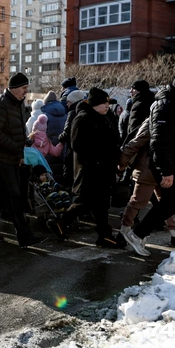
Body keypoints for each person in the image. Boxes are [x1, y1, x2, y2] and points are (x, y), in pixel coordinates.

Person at [123, 71, 175, 260]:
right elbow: (159, 142)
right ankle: (138, 234)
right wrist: (166, 171)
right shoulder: (165, 107)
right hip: (173, 167)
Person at [0, 72, 45, 248]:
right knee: (13, 196)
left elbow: (19, 132)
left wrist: (21, 152)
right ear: (14, 89)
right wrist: (14, 147)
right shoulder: (1, 104)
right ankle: (24, 235)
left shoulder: (18, 105)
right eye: (24, 88)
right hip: (0, 159)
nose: (26, 92)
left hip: (12, 158)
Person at [61, 88, 120, 248]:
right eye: (104, 103)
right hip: (89, 169)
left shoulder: (105, 117)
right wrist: (96, 160)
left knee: (99, 203)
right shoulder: (83, 118)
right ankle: (61, 222)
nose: (107, 106)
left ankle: (104, 235)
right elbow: (77, 145)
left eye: (108, 102)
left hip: (104, 168)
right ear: (94, 104)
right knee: (86, 201)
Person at [117, 118, 175, 246]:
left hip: (164, 169)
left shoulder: (174, 118)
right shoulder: (154, 120)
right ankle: (124, 230)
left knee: (167, 202)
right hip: (148, 168)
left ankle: (174, 232)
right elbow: (136, 142)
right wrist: (122, 163)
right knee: (138, 201)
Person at [58, 90, 86, 185]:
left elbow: (67, 132)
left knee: (69, 177)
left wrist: (60, 138)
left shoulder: (72, 113)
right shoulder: (86, 112)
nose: (67, 104)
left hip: (72, 150)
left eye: (69, 101)